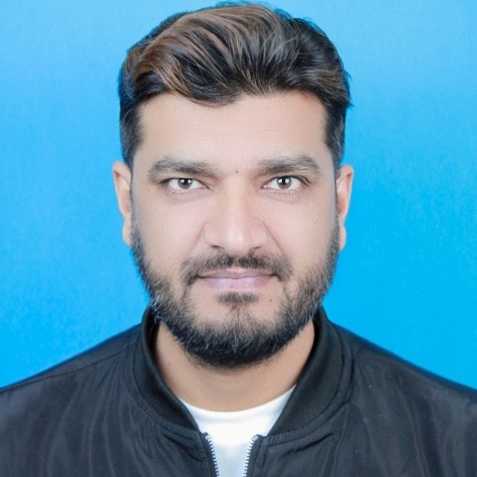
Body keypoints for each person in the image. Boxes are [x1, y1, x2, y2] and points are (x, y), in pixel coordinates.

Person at [1, 2, 476, 476]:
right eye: (186, 183)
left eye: (283, 182)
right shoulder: (13, 445)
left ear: (340, 202)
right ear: (127, 203)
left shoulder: (460, 447)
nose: (236, 238)